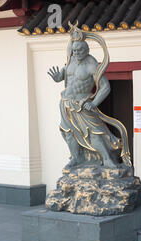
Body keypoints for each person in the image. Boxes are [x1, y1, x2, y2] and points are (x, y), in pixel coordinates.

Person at [48, 30, 126, 169]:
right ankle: (76, 158)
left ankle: (107, 159)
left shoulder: (92, 65)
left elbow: (105, 87)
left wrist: (94, 103)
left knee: (93, 132)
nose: (76, 53)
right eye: (74, 50)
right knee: (68, 132)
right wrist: (57, 77)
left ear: (86, 50)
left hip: (82, 104)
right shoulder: (70, 60)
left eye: (79, 50)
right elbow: (64, 75)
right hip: (65, 103)